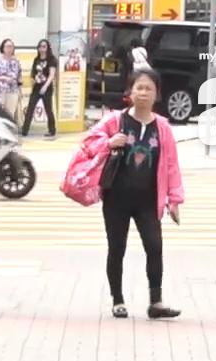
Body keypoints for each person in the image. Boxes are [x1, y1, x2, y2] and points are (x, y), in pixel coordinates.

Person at [74, 67, 184, 319]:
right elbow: (88, 143)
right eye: (139, 88)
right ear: (130, 92)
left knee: (154, 246)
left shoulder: (163, 127)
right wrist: (109, 142)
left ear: (156, 94)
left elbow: (171, 165)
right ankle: (118, 300)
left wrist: (174, 200)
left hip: (148, 200)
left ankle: (156, 302)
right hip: (116, 198)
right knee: (117, 248)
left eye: (149, 88)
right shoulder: (115, 121)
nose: (143, 93)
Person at [22, 37, 57, 137]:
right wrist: (34, 79)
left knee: (48, 109)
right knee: (30, 108)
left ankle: (52, 130)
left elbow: (51, 75)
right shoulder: (36, 59)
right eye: (40, 47)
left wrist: (45, 87)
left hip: (47, 88)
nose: (42, 49)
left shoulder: (51, 59)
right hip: (36, 87)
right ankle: (25, 130)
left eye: (44, 46)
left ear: (47, 48)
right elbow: (33, 73)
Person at [0, 39, 23, 117]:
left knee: (10, 114)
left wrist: (20, 91)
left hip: (13, 91)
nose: (9, 49)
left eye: (11, 46)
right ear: (3, 48)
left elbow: (19, 77)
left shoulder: (16, 62)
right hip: (0, 91)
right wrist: (3, 78)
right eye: (7, 46)